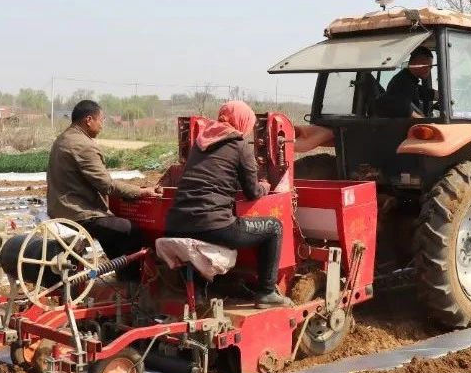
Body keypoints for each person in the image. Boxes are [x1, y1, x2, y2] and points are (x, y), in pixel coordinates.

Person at [164, 100, 293, 308]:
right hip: (211, 225)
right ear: (242, 123)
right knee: (274, 228)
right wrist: (265, 186)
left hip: (175, 224)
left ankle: (199, 292)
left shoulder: (200, 142)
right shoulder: (239, 145)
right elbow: (252, 192)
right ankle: (266, 292)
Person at [46, 100, 158, 282]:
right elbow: (107, 185)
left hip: (59, 210)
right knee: (131, 231)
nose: (102, 125)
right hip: (79, 214)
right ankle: (132, 285)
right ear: (88, 120)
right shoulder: (83, 145)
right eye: (101, 120)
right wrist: (142, 192)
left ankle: (122, 276)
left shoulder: (63, 139)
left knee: (112, 230)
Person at [375, 46, 437, 118]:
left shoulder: (409, 80)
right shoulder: (402, 82)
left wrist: (440, 96)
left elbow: (422, 92)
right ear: (418, 64)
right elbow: (404, 109)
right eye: (429, 66)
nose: (431, 69)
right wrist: (426, 122)